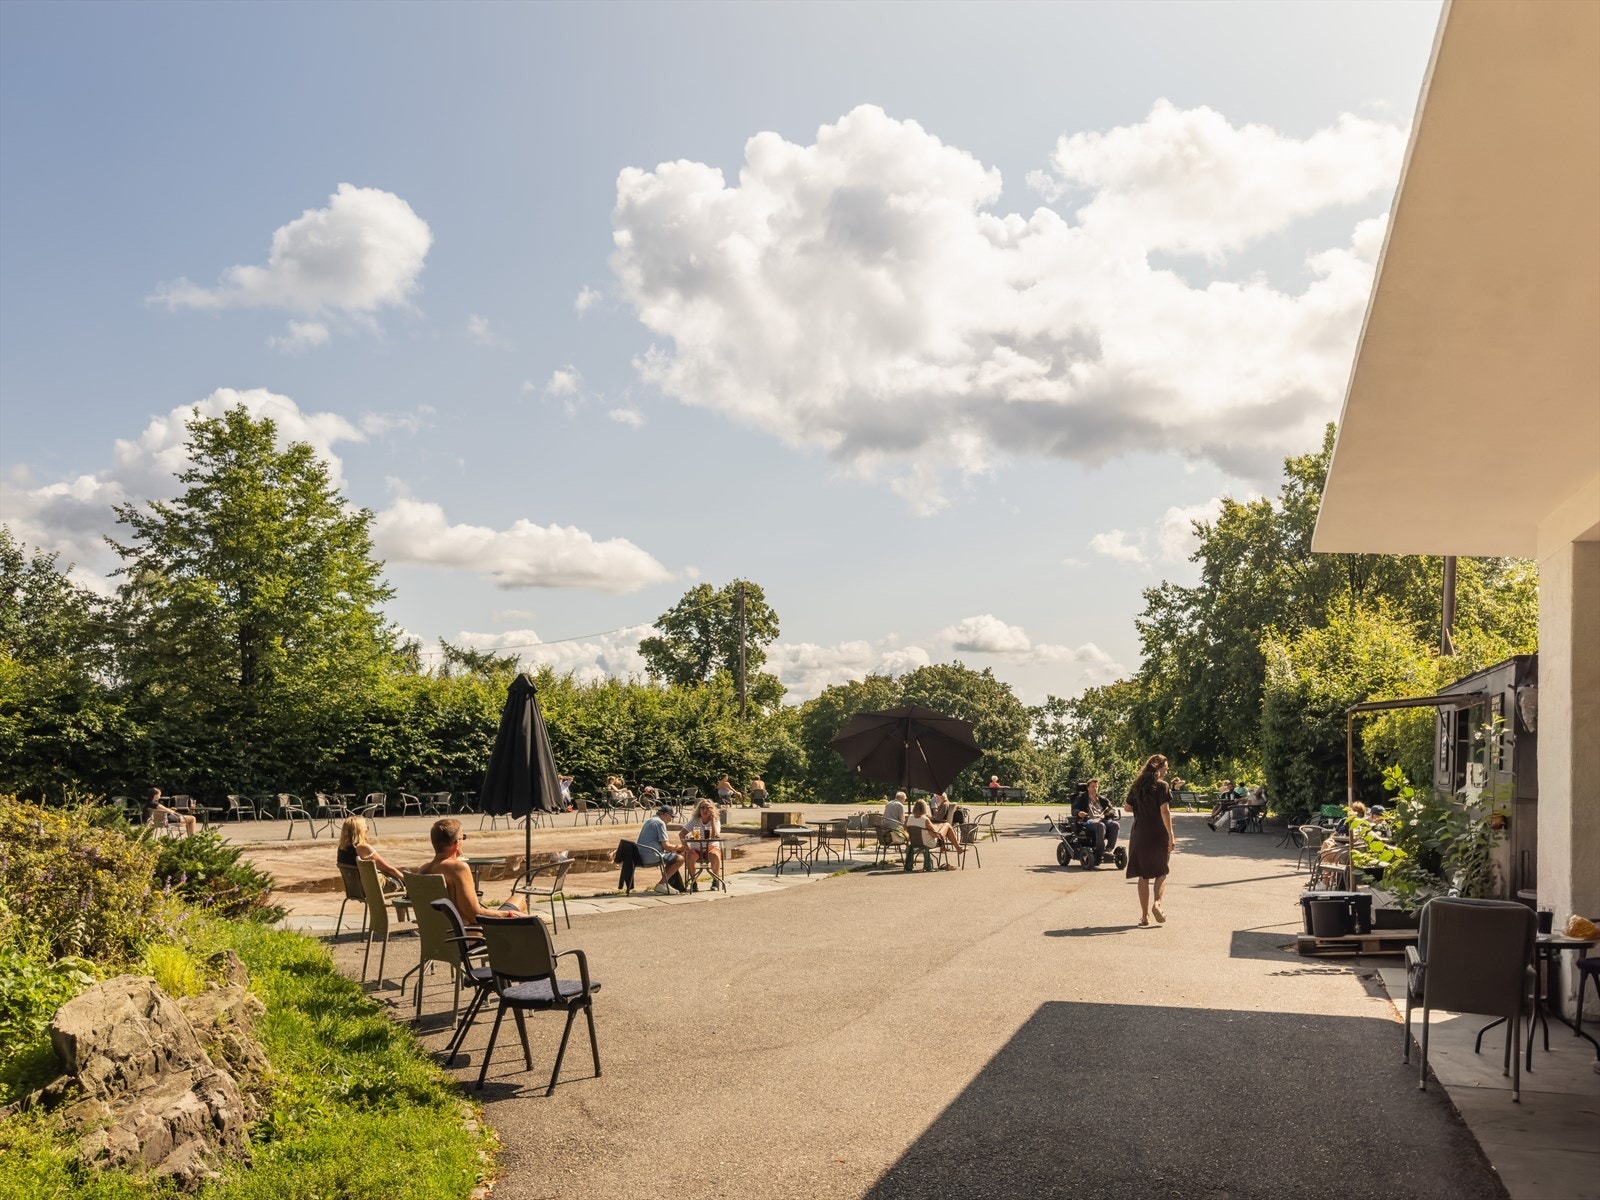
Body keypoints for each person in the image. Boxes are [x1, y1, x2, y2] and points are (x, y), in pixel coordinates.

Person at [420, 818, 525, 925]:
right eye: (463, 837)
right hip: (469, 935)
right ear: (457, 843)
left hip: (440, 935)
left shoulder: (423, 870)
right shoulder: (458, 868)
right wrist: (508, 914)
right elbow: (475, 915)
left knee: (518, 898)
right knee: (522, 906)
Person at [1124, 754, 1176, 926]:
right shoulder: (1162, 786)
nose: (1166, 772)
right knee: (1161, 871)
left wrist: (1143, 808)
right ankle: (1157, 904)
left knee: (1143, 875)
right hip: (1158, 832)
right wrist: (1171, 835)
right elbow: (1165, 811)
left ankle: (1145, 916)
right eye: (1165, 768)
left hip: (1140, 832)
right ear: (1159, 767)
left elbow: (1127, 807)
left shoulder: (1137, 785)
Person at [337, 815, 403, 888]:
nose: (367, 830)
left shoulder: (341, 848)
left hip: (354, 888)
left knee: (403, 870)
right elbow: (388, 869)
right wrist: (408, 881)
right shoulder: (363, 848)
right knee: (405, 873)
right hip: (371, 888)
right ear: (361, 830)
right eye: (366, 827)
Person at [637, 803, 685, 894]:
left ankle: (667, 884)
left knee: (672, 857)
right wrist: (678, 847)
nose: (671, 820)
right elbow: (666, 846)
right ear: (666, 815)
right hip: (651, 855)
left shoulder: (650, 820)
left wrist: (674, 849)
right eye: (671, 817)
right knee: (680, 859)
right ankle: (662, 884)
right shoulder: (660, 823)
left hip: (640, 856)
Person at [681, 798, 724, 889]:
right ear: (699, 809)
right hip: (697, 849)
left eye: (708, 808)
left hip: (711, 847)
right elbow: (681, 834)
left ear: (712, 809)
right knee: (689, 855)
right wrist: (686, 847)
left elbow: (713, 837)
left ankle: (715, 881)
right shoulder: (695, 821)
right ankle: (693, 882)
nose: (705, 810)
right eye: (702, 808)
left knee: (715, 855)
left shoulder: (716, 821)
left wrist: (712, 821)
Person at [906, 797, 964, 863]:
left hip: (915, 842)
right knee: (947, 825)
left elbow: (907, 829)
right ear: (924, 808)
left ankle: (952, 848)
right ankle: (958, 848)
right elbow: (935, 833)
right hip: (928, 843)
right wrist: (938, 826)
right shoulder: (925, 819)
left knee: (945, 827)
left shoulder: (909, 818)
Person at [1077, 779, 1120, 859]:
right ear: (1088, 788)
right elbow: (1074, 809)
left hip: (1102, 819)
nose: (1095, 788)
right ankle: (1100, 850)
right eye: (1092, 787)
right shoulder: (1081, 798)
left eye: (1096, 787)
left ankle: (1108, 849)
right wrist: (1079, 813)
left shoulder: (1102, 799)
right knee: (1101, 825)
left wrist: (1109, 813)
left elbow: (1112, 809)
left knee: (1115, 825)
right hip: (1089, 821)